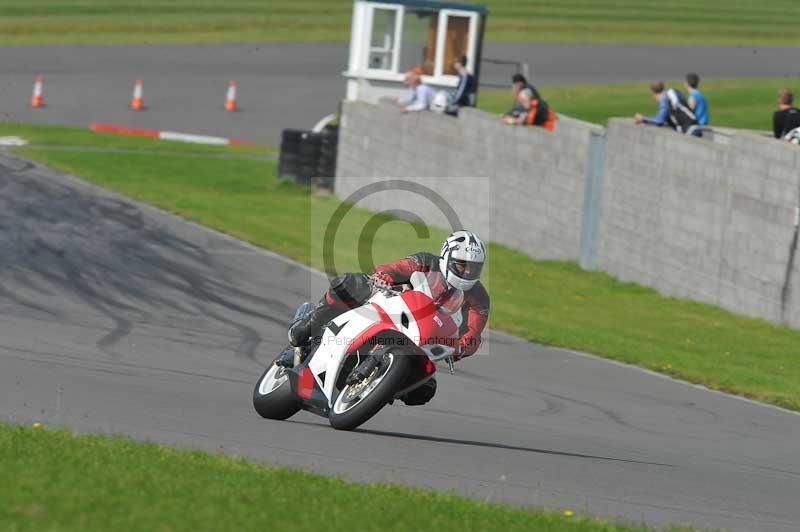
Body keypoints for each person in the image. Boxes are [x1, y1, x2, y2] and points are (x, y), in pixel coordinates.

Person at [281, 230, 490, 406]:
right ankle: (308, 324)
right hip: (393, 306)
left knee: (424, 390)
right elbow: (397, 268)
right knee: (350, 284)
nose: (468, 272)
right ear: (447, 257)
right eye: (463, 265)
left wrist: (461, 348)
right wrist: (384, 276)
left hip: (422, 337)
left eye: (474, 268)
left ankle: (380, 386)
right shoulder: (426, 261)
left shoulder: (479, 297)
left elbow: (473, 332)